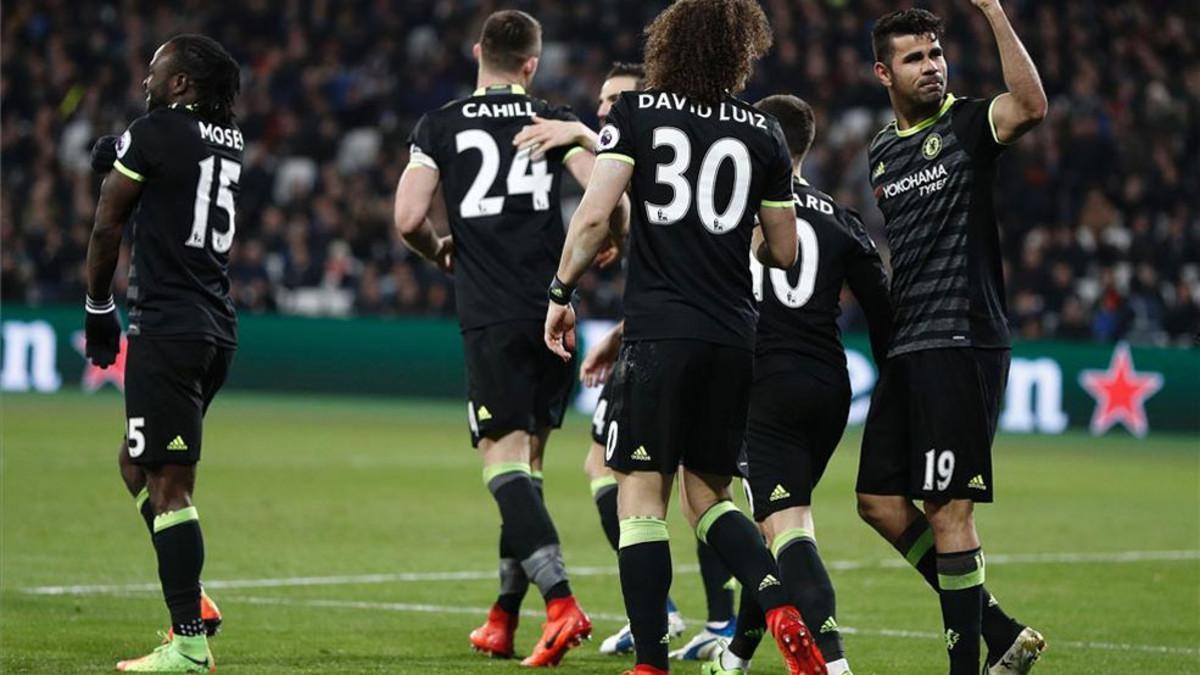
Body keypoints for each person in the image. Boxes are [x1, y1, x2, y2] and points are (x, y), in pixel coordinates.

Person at [543, 1, 827, 673]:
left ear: (668, 46)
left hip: (659, 334)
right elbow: (784, 252)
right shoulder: (762, 132)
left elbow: (593, 216)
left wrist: (560, 293)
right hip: (733, 336)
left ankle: (650, 661)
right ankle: (780, 604)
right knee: (710, 498)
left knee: (640, 499)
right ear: (741, 53)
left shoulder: (638, 115)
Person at [392, 9, 628, 668]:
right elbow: (606, 193)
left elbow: (408, 216)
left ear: (477, 53)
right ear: (531, 64)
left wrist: (439, 248)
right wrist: (609, 239)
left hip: (491, 314)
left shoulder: (438, 124)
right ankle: (502, 618)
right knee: (526, 471)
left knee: (503, 467)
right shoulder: (552, 120)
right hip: (554, 312)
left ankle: (560, 602)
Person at [515, 62, 738, 661]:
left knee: (692, 488)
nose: (608, 108)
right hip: (659, 334)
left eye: (620, 98)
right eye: (603, 100)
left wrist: (585, 140)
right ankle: (679, 613)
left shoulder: (655, 150)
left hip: (672, 343)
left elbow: (632, 213)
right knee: (610, 467)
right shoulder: (652, 150)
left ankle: (715, 617)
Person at [857, 4, 1048, 674]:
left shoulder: (969, 123)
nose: (932, 66)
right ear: (884, 72)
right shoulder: (880, 151)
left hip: (961, 339)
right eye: (915, 57)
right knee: (878, 501)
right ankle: (995, 626)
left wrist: (993, 12)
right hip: (908, 348)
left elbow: (1029, 104)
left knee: (947, 510)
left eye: (936, 53)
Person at [699, 93, 893, 675]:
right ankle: (735, 656)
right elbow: (883, 315)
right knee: (775, 521)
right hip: (830, 384)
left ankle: (833, 664)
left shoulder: (735, 210)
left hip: (765, 383)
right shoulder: (843, 218)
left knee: (784, 528)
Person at [84, 34, 242, 672]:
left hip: (169, 327)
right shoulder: (227, 140)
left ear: (182, 85)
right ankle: (193, 600)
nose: (147, 79)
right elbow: (163, 166)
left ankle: (189, 645)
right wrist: (123, 147)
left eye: (157, 70)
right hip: (214, 328)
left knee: (171, 487)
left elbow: (107, 225)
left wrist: (99, 309)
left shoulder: (153, 131)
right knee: (134, 463)